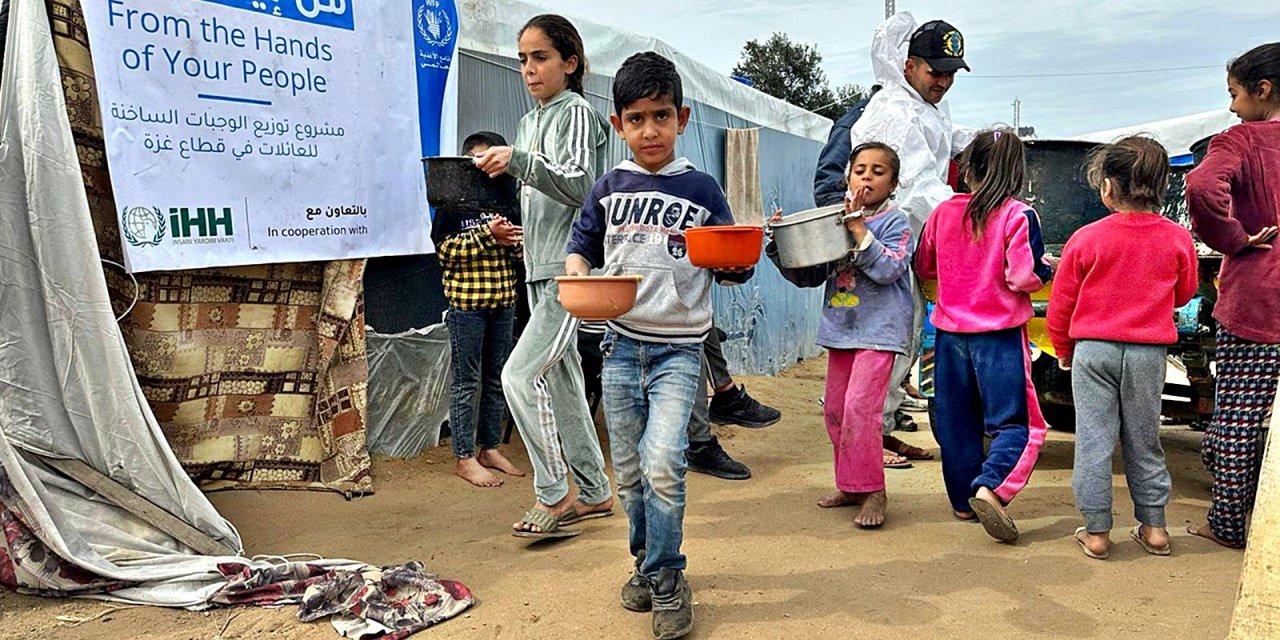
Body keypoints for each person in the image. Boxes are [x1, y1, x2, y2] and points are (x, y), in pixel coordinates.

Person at [565, 51, 753, 640]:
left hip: (679, 352)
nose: (651, 130)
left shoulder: (701, 187)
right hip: (619, 347)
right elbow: (582, 245)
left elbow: (727, 254)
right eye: (638, 118)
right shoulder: (609, 186)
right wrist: (581, 276)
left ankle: (669, 578)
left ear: (684, 117)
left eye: (662, 116)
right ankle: (644, 564)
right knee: (629, 474)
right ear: (618, 122)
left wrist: (736, 267)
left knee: (663, 464)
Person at [474, 14, 613, 539]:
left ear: (570, 63)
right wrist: (518, 227)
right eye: (523, 60)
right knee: (563, 382)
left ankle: (555, 494)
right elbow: (544, 194)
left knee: (519, 374)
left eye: (541, 58)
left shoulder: (575, 112)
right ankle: (597, 493)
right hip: (540, 263)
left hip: (568, 271)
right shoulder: (532, 120)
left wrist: (520, 162)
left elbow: (582, 187)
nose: (529, 70)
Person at [1047, 136, 1197, 559]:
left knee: (1094, 440)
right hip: (1148, 353)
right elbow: (1183, 294)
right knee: (1145, 440)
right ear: (1161, 185)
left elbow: (1062, 302)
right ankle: (1154, 529)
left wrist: (1062, 347)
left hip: (1093, 350)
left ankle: (1096, 533)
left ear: (1108, 187)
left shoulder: (1086, 238)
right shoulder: (1177, 237)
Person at [913, 130, 1052, 543]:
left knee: (957, 421)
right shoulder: (1017, 215)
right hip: (1000, 337)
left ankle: (961, 502)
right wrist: (1048, 268)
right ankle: (991, 488)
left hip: (949, 335)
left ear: (966, 170)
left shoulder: (942, 212)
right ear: (1016, 175)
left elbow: (925, 265)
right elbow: (1023, 276)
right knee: (1018, 425)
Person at [849, 14, 975, 459]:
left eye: (950, 73)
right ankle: (862, 437)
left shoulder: (926, 106)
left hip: (909, 243)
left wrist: (983, 140)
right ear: (909, 66)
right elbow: (918, 188)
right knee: (883, 340)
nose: (943, 80)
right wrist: (965, 217)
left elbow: (943, 142)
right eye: (934, 70)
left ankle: (877, 429)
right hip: (883, 242)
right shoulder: (895, 114)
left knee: (902, 336)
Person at [770, 142, 914, 528]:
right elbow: (811, 274)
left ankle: (874, 490)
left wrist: (859, 230)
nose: (867, 177)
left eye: (878, 171)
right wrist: (779, 244)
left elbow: (888, 270)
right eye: (860, 169)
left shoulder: (896, 223)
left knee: (860, 410)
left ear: (894, 183)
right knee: (835, 411)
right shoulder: (834, 223)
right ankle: (851, 484)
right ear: (847, 178)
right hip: (842, 330)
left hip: (880, 332)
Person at [1186, 42, 1280, 550]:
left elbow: (1201, 187)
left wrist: (1233, 238)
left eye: (1234, 94)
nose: (1230, 107)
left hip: (1259, 300)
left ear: (1262, 90)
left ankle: (1227, 525)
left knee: (1241, 417)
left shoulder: (1240, 140)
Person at [433, 132, 528, 488]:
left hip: (504, 303)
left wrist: (512, 239)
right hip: (467, 306)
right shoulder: (451, 201)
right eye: (477, 159)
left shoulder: (506, 197)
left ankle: (489, 448)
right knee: (465, 383)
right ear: (465, 163)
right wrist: (489, 235)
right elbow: (444, 254)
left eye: (493, 158)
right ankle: (463, 457)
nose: (486, 166)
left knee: (496, 379)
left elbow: (521, 253)